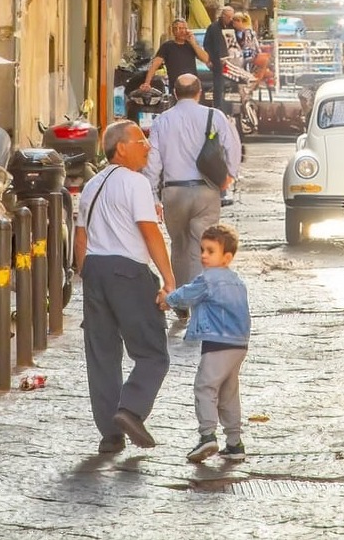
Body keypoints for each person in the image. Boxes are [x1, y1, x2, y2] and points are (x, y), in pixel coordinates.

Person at [73, 120, 178, 454]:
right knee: (153, 352)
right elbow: (149, 231)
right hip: (128, 271)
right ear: (120, 148)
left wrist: (87, 274)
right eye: (140, 141)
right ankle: (131, 410)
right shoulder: (135, 183)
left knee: (102, 354)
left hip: (95, 270)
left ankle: (110, 435)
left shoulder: (92, 184)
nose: (147, 146)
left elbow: (80, 236)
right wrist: (169, 279)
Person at [144, 74, 241, 318]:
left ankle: (181, 303)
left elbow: (153, 161)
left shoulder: (162, 121)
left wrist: (153, 196)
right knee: (203, 248)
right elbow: (233, 146)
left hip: (173, 192)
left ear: (175, 93)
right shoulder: (214, 116)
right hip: (206, 190)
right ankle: (199, 303)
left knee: (178, 246)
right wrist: (230, 175)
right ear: (200, 93)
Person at [164, 224, 251, 464]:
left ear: (227, 258)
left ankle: (207, 435)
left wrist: (167, 299)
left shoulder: (208, 279)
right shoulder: (237, 281)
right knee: (229, 393)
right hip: (239, 344)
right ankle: (234, 442)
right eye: (202, 249)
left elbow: (186, 295)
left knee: (205, 387)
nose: (203, 255)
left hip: (217, 342)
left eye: (210, 251)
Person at [145, 18, 210, 93]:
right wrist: (147, 83)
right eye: (176, 28)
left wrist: (193, 43)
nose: (180, 31)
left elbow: (206, 59)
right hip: (176, 87)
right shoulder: (167, 46)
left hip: (192, 86)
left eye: (182, 28)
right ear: (173, 31)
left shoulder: (191, 45)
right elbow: (155, 65)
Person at [205, 6, 237, 112]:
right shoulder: (213, 27)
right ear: (223, 16)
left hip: (231, 60)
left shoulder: (232, 27)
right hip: (217, 61)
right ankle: (218, 106)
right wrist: (209, 59)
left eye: (232, 17)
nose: (230, 19)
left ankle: (229, 107)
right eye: (228, 17)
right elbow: (207, 44)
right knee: (218, 84)